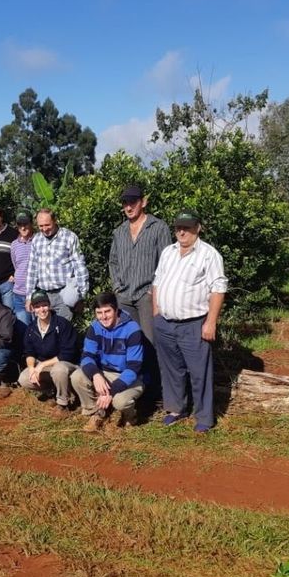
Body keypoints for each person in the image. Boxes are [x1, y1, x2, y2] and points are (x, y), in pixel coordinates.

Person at [152, 210, 228, 434]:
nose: (182, 232)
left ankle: (204, 418)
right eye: (178, 228)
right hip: (165, 323)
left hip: (193, 324)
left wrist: (211, 322)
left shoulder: (209, 255)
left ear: (198, 228)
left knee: (199, 372)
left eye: (187, 227)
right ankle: (177, 409)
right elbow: (157, 282)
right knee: (171, 369)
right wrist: (156, 311)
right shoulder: (168, 252)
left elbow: (218, 288)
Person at [70, 292, 146, 433]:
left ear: (116, 310)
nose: (103, 317)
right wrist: (96, 375)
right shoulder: (95, 327)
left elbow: (133, 368)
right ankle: (96, 413)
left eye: (107, 311)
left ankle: (130, 417)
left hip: (129, 376)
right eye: (99, 313)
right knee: (77, 376)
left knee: (120, 402)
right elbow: (86, 356)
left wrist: (110, 392)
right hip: (104, 372)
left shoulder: (132, 329)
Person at [108, 185, 171, 346]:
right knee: (129, 341)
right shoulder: (119, 232)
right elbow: (113, 262)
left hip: (147, 296)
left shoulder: (159, 227)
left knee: (151, 342)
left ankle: (153, 365)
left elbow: (167, 262)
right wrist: (117, 287)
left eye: (133, 202)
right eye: (125, 203)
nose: (128, 207)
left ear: (143, 202)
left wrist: (152, 291)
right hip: (124, 296)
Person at [17, 291, 79, 417]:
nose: (42, 310)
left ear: (49, 305)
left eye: (44, 305)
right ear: (33, 309)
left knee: (58, 370)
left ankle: (63, 403)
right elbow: (29, 352)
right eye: (37, 307)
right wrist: (31, 368)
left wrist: (42, 365)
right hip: (45, 365)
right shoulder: (31, 328)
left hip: (66, 364)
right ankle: (52, 391)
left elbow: (67, 354)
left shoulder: (62, 324)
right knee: (24, 378)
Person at [24, 209, 89, 322]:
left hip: (64, 294)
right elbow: (32, 269)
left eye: (47, 225)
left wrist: (82, 295)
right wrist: (29, 296)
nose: (44, 229)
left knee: (63, 328)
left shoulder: (69, 237)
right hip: (43, 295)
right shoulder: (36, 240)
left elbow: (79, 266)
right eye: (41, 226)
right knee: (44, 328)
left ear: (55, 221)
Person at [9, 211, 36, 327]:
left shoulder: (38, 241)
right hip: (18, 294)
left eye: (26, 224)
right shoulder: (14, 244)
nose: (23, 228)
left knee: (38, 328)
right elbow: (16, 265)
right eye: (20, 225)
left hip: (35, 293)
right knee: (23, 329)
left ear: (31, 224)